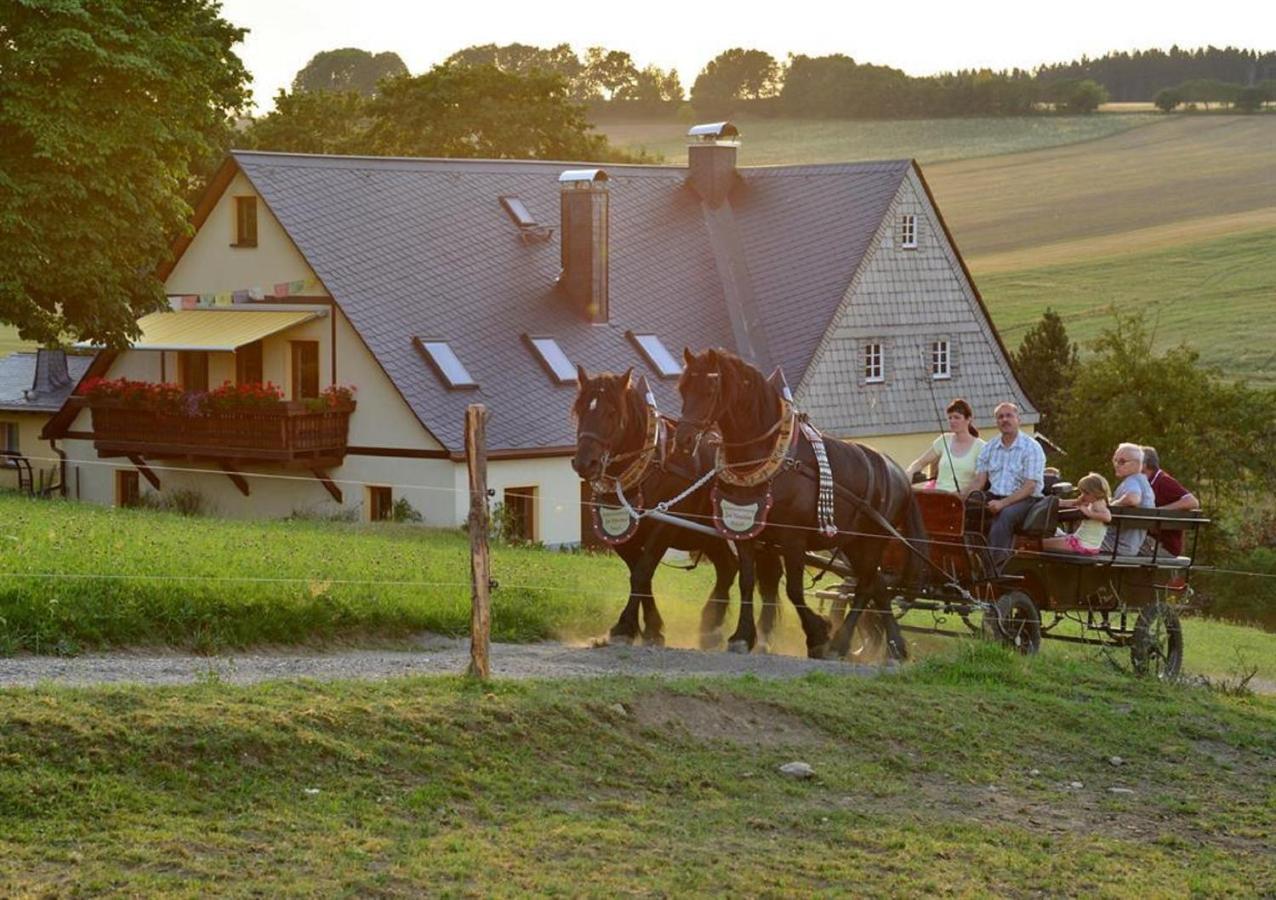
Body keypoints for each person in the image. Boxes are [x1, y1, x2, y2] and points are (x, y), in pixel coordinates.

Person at [961, 402, 1046, 569]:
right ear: (996, 422)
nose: (1004, 419)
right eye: (1000, 417)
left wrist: (1002, 504)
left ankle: (993, 567)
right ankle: (966, 560)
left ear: (1018, 419)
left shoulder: (1032, 448)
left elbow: (1029, 487)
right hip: (995, 496)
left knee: (1004, 516)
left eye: (1009, 416)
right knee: (964, 510)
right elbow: (979, 481)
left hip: (1026, 500)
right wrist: (959, 498)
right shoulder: (990, 447)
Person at [905, 398, 987, 494]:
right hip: (939, 497)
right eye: (950, 418)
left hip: (962, 501)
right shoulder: (944, 440)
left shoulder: (981, 447)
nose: (952, 421)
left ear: (968, 419)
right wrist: (909, 473)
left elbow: (979, 482)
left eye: (957, 417)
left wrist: (960, 495)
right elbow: (920, 463)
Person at [1141, 445, 1200, 556]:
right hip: (1151, 541)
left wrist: (1159, 511)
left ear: (1144, 465)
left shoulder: (1163, 481)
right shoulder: (1144, 482)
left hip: (1162, 546)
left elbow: (1192, 502)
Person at [1102, 442, 1155, 556]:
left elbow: (1133, 499)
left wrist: (1110, 505)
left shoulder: (1132, 481)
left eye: (1122, 462)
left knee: (1062, 540)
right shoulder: (1143, 482)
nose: (1116, 465)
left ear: (1137, 464)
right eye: (1114, 460)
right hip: (1130, 546)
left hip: (1116, 545)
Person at [1042, 473, 1111, 555]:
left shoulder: (1098, 504)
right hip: (1087, 544)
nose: (1083, 496)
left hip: (1082, 545)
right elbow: (1074, 503)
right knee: (1054, 538)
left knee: (1040, 543)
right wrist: (1078, 501)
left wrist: (1088, 513)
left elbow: (1107, 517)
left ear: (1094, 492)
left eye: (1085, 493)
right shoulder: (1095, 502)